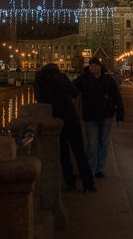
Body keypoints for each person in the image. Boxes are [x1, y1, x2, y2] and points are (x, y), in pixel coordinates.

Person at [35, 63, 95, 193]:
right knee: (79, 152)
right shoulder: (61, 77)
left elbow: (38, 99)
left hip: (55, 120)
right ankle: (88, 184)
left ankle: (70, 182)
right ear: (56, 70)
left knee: (63, 154)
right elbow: (74, 93)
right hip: (70, 117)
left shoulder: (39, 80)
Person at [74, 58, 124, 179]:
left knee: (103, 142)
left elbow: (117, 96)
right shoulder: (83, 79)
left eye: (96, 65)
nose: (93, 68)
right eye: (91, 65)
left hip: (106, 115)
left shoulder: (108, 80)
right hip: (90, 116)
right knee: (92, 144)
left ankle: (99, 169)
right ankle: (90, 170)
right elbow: (72, 89)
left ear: (100, 67)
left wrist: (120, 114)